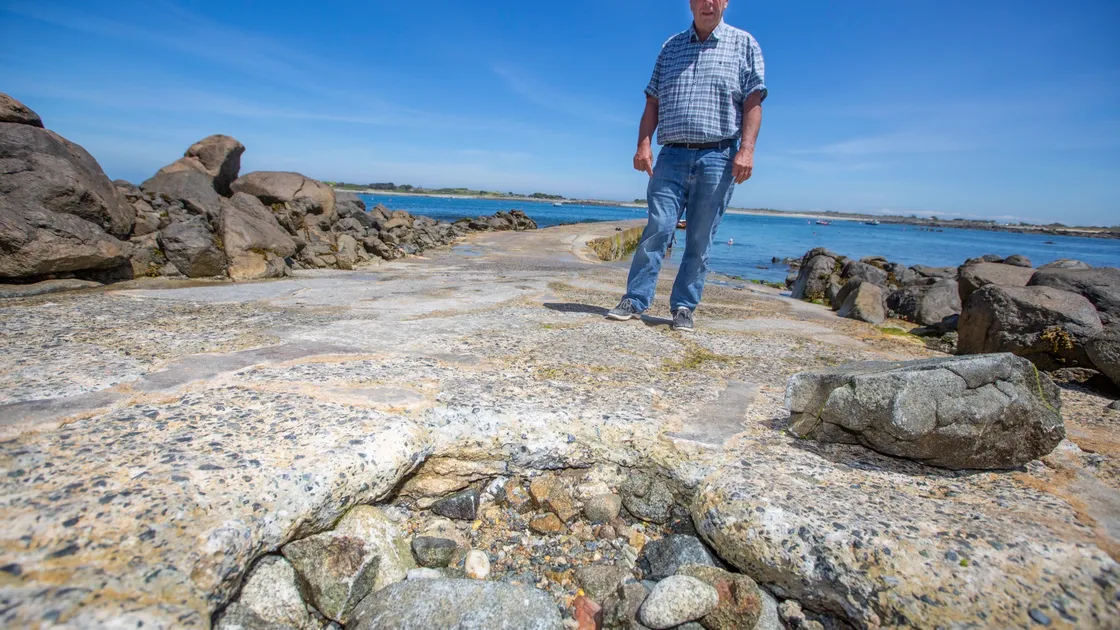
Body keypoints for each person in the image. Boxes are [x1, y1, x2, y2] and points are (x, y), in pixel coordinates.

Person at [607, 0, 766, 332]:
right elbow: (652, 101)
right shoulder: (671, 46)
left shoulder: (744, 43)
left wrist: (747, 150)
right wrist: (643, 143)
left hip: (719, 156)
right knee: (658, 227)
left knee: (699, 238)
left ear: (725, 3)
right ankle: (635, 300)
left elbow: (753, 101)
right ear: (690, 4)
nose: (707, 3)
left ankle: (683, 307)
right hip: (672, 155)